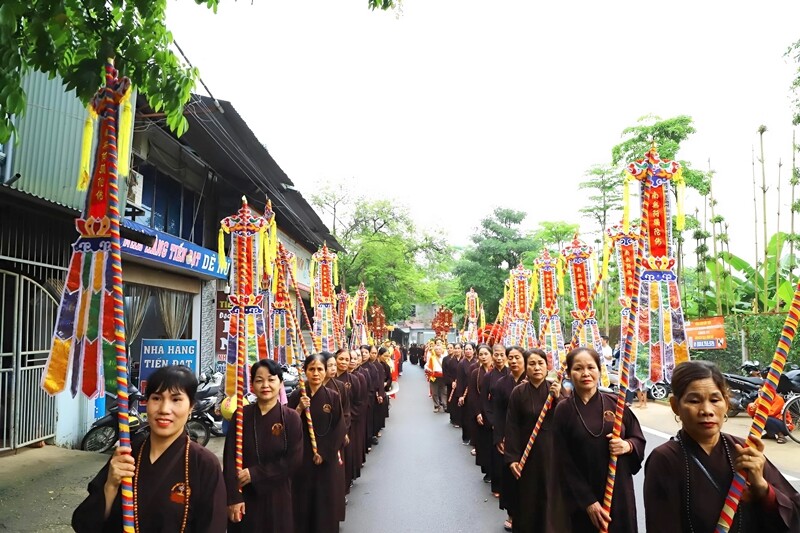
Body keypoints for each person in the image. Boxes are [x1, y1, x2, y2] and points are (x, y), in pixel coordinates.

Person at [644, 361, 800, 532]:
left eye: (715, 400)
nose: (707, 410)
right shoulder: (665, 459)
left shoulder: (744, 451)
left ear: (726, 403)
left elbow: (794, 514)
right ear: (675, 406)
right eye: (694, 401)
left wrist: (763, 489)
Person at [72, 365, 227, 533]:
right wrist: (111, 485)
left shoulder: (203, 464)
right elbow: (84, 524)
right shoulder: (127, 455)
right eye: (157, 398)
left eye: (176, 399)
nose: (164, 409)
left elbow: (213, 526)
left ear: (191, 407)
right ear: (147, 403)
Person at [552, 347, 646, 532]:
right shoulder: (563, 410)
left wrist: (627, 446)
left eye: (591, 367)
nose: (585, 373)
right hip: (582, 495)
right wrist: (588, 501)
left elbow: (638, 438)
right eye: (578, 368)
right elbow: (562, 460)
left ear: (599, 370)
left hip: (618, 490)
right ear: (569, 373)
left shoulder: (616, 404)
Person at [224, 359, 303, 532]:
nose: (265, 385)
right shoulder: (241, 416)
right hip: (244, 495)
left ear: (280, 383)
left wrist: (255, 473)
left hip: (278, 494)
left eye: (271, 379)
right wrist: (233, 497)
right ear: (252, 384)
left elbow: (293, 460)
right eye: (259, 380)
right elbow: (229, 459)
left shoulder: (290, 418)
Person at [505, 348, 565, 533]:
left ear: (547, 367)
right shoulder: (518, 392)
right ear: (526, 367)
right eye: (532, 364)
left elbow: (567, 419)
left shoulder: (555, 390)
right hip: (526, 454)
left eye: (541, 363)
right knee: (527, 498)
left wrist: (559, 398)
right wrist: (512, 458)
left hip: (551, 454)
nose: (537, 368)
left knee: (550, 497)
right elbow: (512, 426)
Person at [287, 354, 347, 533]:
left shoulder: (333, 397)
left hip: (325, 458)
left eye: (320, 369)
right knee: (302, 500)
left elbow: (339, 428)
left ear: (325, 371)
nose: (316, 373)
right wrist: (298, 409)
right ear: (305, 371)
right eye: (311, 369)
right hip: (302, 457)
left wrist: (325, 452)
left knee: (324, 501)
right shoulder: (297, 395)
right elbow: (287, 426)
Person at [491, 346, 527, 531]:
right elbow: (497, 413)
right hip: (508, 435)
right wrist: (499, 437)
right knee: (511, 476)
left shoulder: (532, 381)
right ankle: (511, 514)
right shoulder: (501, 384)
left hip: (529, 436)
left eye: (517, 358)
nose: (513, 361)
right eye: (510, 358)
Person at [484, 343, 509, 496]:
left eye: (502, 355)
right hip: (495, 417)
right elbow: (485, 401)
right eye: (496, 354)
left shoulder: (510, 373)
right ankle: (497, 485)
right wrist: (492, 420)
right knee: (497, 453)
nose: (499, 358)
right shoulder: (488, 376)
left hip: (510, 417)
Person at [470, 343, 494, 480]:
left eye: (486, 354)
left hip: (494, 412)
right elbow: (473, 394)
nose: (484, 357)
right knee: (484, 443)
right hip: (481, 413)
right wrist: (477, 412)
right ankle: (487, 470)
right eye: (481, 354)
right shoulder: (475, 372)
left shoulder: (497, 371)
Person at [457, 342, 478, 445]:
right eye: (466, 349)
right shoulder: (461, 364)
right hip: (465, 393)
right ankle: (466, 437)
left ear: (474, 350)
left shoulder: (477, 362)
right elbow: (460, 380)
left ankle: (474, 438)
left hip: (474, 392)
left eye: (470, 349)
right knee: (465, 416)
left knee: (474, 415)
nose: (468, 351)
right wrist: (460, 395)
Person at [426, 339, 447, 412]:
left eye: (439, 349)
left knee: (444, 391)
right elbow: (427, 366)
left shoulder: (444, 357)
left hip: (443, 376)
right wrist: (429, 371)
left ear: (442, 350)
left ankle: (445, 405)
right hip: (434, 376)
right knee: (434, 392)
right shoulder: (432, 358)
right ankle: (436, 406)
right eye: (436, 349)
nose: (438, 350)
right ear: (434, 350)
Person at [445, 343, 463, 426]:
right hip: (453, 384)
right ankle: (455, 419)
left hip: (462, 384)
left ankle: (462, 420)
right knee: (453, 403)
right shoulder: (450, 361)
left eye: (458, 348)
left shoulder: (464, 360)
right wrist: (451, 381)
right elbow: (447, 373)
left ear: (461, 349)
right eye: (455, 348)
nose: (457, 350)